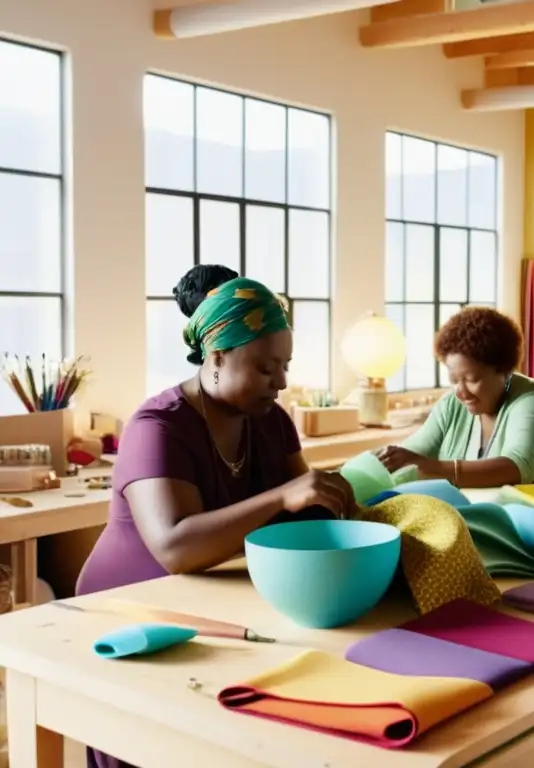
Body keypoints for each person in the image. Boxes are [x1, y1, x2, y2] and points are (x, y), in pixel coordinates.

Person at [77, 273, 355, 768]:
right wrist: (283, 496)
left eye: (286, 366)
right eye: (267, 368)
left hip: (208, 601)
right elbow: (176, 548)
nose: (283, 382)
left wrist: (339, 504)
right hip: (127, 610)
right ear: (217, 356)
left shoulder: (271, 420)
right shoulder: (158, 426)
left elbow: (301, 513)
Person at [375, 306, 534, 498]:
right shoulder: (452, 405)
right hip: (500, 522)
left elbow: (514, 468)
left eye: (471, 380)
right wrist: (375, 466)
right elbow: (413, 454)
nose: (461, 392)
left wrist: (431, 467)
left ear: (504, 371)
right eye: (454, 380)